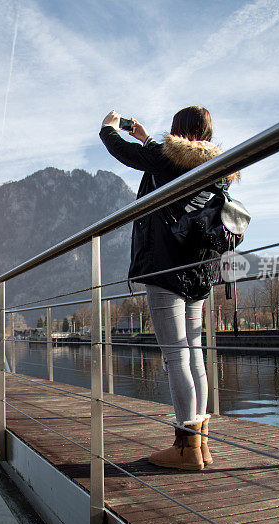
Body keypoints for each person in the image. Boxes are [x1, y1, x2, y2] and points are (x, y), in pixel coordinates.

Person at [99, 106, 239, 470]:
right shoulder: (215, 167)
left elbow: (127, 155)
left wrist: (108, 129)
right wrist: (146, 137)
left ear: (177, 132)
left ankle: (185, 449)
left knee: (176, 355)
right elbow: (164, 163)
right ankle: (200, 445)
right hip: (199, 269)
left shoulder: (168, 158)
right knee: (194, 354)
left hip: (166, 267)